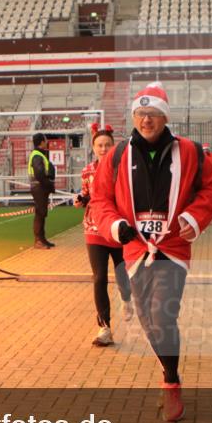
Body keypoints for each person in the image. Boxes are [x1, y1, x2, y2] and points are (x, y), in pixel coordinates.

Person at [91, 82, 212, 422]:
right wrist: (114, 225)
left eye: (152, 114)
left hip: (172, 248)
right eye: (140, 113)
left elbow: (211, 186)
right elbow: (101, 198)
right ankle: (170, 373)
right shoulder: (118, 155)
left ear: (164, 117)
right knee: (148, 319)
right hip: (135, 249)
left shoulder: (190, 151)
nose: (145, 120)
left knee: (162, 315)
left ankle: (171, 382)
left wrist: (194, 217)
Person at [75, 123, 133, 347]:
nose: (103, 148)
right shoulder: (88, 170)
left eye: (107, 145)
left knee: (122, 277)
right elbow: (89, 195)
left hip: (116, 229)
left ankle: (127, 299)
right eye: (99, 145)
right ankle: (104, 328)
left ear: (114, 147)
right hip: (93, 228)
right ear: (93, 147)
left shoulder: (123, 169)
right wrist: (81, 199)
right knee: (99, 278)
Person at [28, 132, 56, 249]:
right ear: (41, 142)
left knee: (42, 213)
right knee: (40, 214)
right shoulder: (37, 156)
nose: (47, 142)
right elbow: (39, 174)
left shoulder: (39, 155)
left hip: (40, 187)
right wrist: (49, 184)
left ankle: (42, 239)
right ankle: (38, 240)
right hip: (39, 187)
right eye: (45, 140)